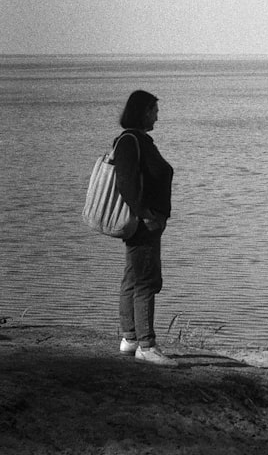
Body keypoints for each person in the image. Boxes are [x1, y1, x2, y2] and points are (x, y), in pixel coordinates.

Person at [114, 90, 176, 366]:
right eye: (154, 111)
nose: (157, 117)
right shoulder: (130, 141)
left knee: (133, 278)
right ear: (142, 112)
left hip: (146, 222)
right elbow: (126, 184)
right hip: (143, 225)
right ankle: (146, 345)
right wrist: (146, 215)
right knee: (145, 282)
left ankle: (130, 339)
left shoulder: (138, 140)